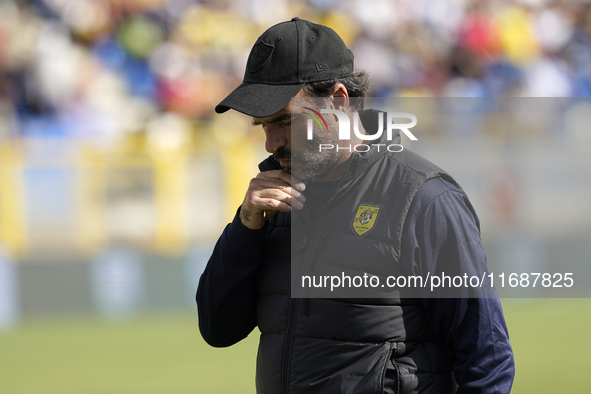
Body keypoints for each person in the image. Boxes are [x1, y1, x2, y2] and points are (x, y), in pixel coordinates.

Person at [197, 17, 514, 394]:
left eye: (285, 121)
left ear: (337, 100)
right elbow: (218, 330)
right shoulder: (269, 204)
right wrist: (244, 229)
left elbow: (488, 360)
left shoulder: (424, 198)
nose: (271, 142)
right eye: (262, 125)